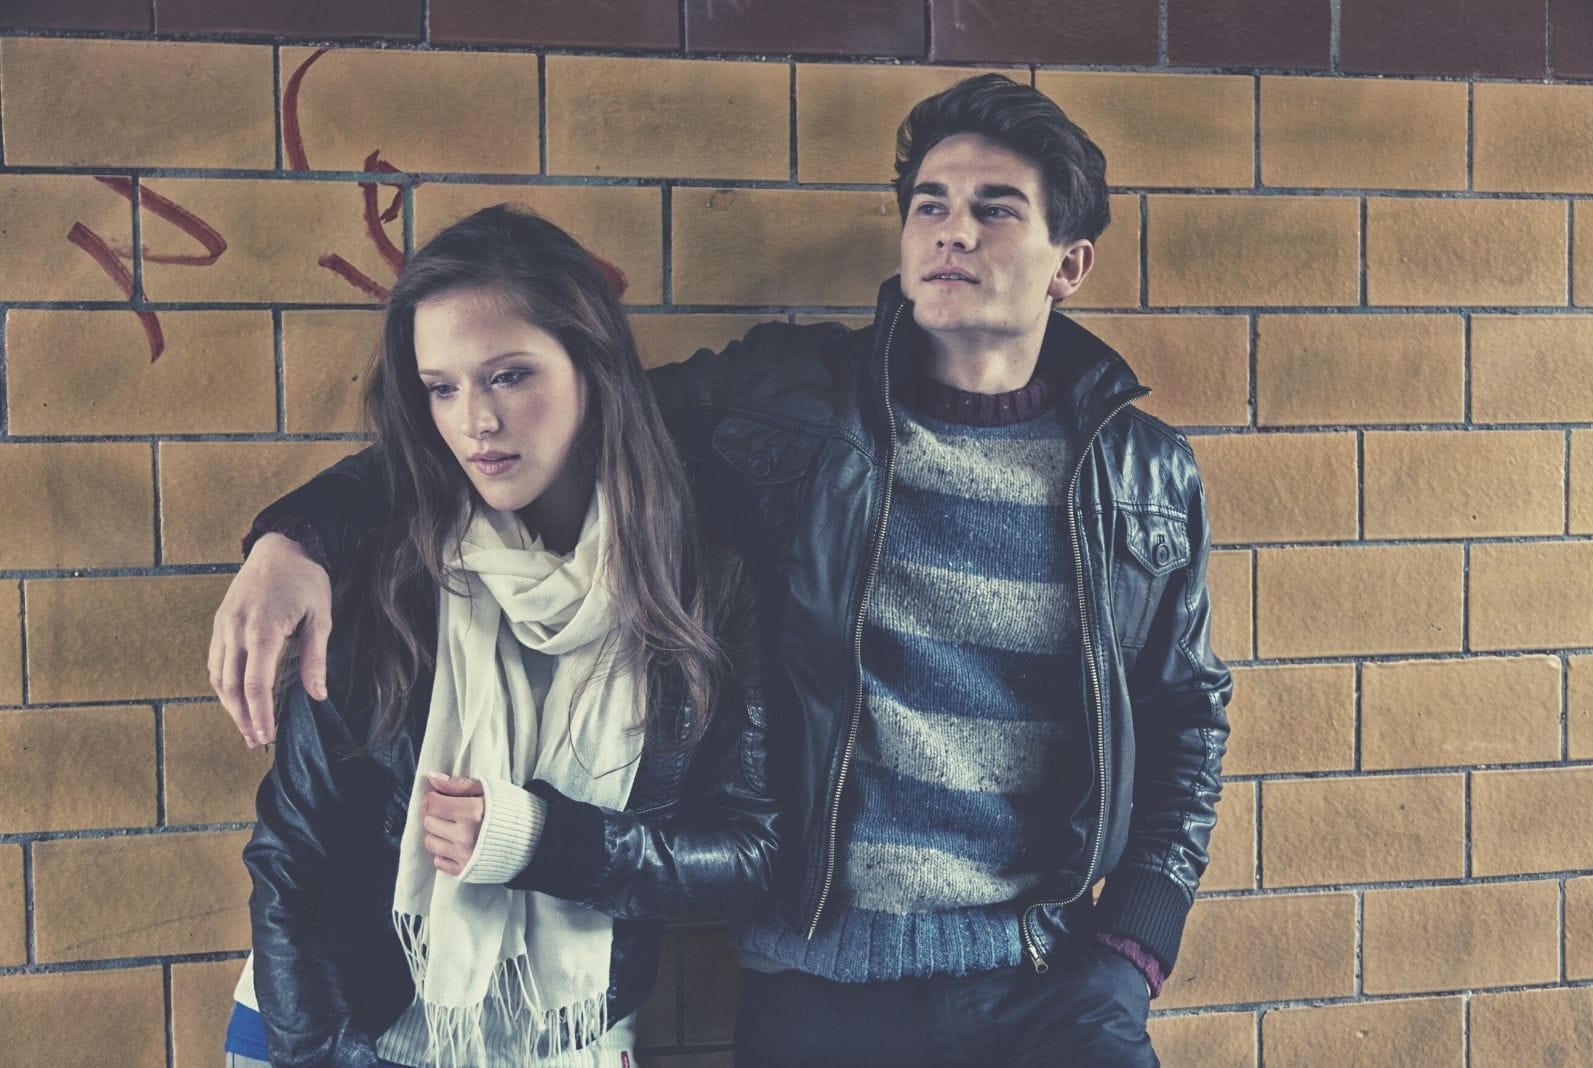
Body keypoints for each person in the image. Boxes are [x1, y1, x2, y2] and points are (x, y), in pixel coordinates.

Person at [213, 75, 1231, 1066]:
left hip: (1047, 984)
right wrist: (297, 535)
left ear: (1070, 265)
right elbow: (532, 429)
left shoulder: (1142, 476)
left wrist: (1132, 952)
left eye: (994, 209)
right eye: (930, 204)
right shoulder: (787, 401)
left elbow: (1185, 715)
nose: (951, 230)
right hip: (819, 986)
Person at [221, 206, 778, 1067]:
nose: (475, 420)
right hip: (335, 1031)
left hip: (564, 1035)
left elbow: (753, 853)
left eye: (510, 376)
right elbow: (294, 862)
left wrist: (552, 845)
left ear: (593, 369)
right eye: (442, 387)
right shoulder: (382, 572)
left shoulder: (703, 582)